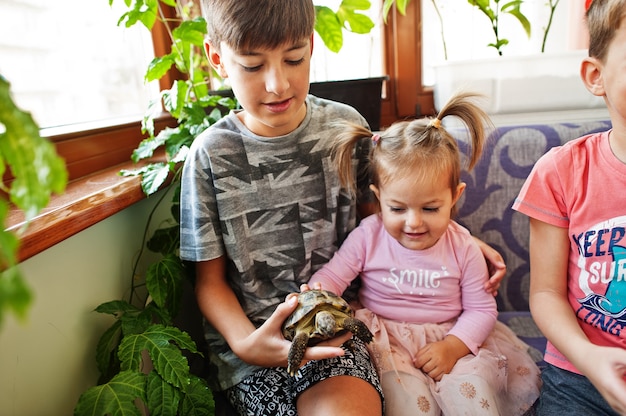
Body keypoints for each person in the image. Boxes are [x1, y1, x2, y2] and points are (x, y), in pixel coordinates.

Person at [180, 1, 506, 415]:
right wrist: (247, 344)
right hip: (253, 347)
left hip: (339, 335)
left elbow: (390, 212)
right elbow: (209, 283)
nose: (277, 84)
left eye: (293, 59)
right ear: (217, 59)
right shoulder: (210, 154)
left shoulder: (343, 129)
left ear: (311, 47)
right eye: (251, 65)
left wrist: (456, 239)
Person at [308, 91, 541, 416]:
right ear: (378, 197)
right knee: (406, 400)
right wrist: (317, 294)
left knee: (471, 391)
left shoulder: (463, 247)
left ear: (454, 195)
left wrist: (452, 347)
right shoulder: (368, 236)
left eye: (430, 208)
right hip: (385, 340)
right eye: (397, 208)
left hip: (452, 336)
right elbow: (334, 275)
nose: (414, 222)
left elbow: (481, 310)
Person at [512, 0, 626, 415]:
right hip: (579, 374)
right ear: (597, 76)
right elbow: (545, 293)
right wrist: (588, 358)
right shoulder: (560, 172)